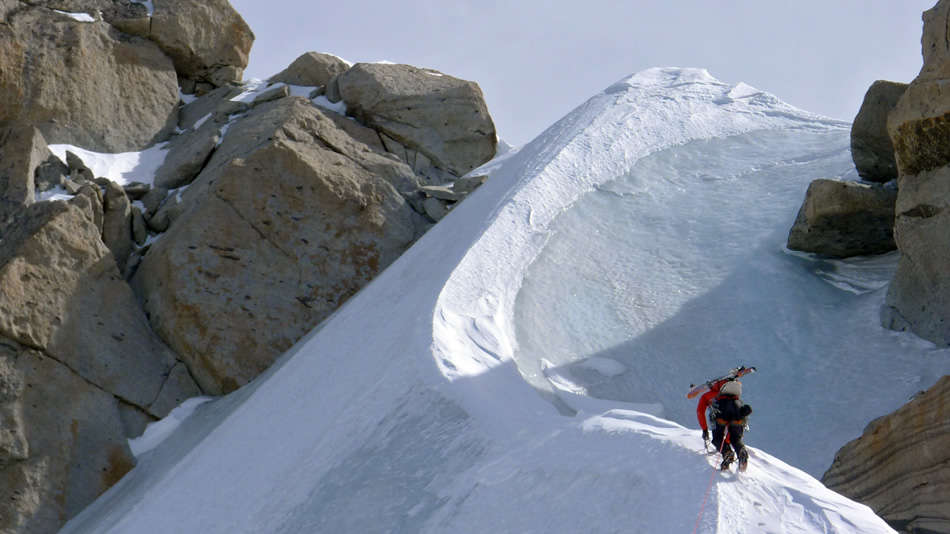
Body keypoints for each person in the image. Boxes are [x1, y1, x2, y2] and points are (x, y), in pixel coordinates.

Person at [710, 379, 753, 470]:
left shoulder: (718, 398)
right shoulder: (738, 401)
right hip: (738, 413)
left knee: (717, 438)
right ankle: (741, 451)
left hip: (721, 411)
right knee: (735, 438)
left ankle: (727, 452)